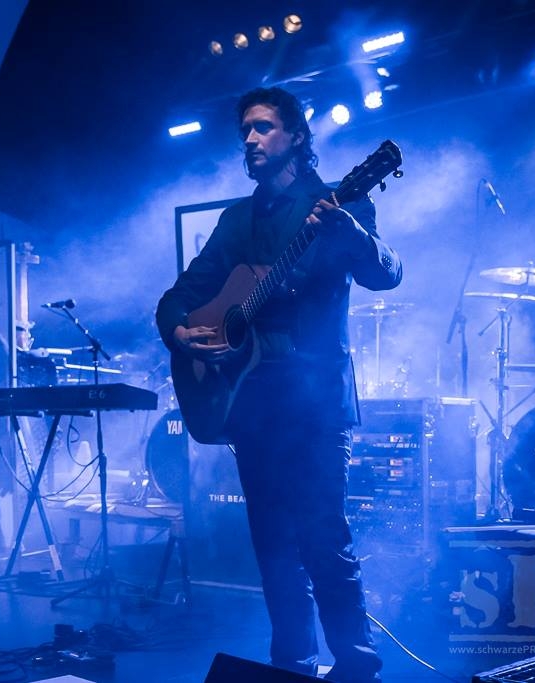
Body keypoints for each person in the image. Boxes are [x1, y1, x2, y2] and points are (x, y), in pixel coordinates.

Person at [155, 86, 402, 683]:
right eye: (245, 129)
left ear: (296, 135)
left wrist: (350, 232)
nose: (250, 139)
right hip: (250, 403)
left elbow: (388, 273)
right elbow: (180, 295)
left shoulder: (338, 201)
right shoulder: (236, 220)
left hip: (315, 404)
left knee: (324, 539)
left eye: (263, 127)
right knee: (271, 545)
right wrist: (181, 333)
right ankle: (291, 664)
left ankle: (357, 667)